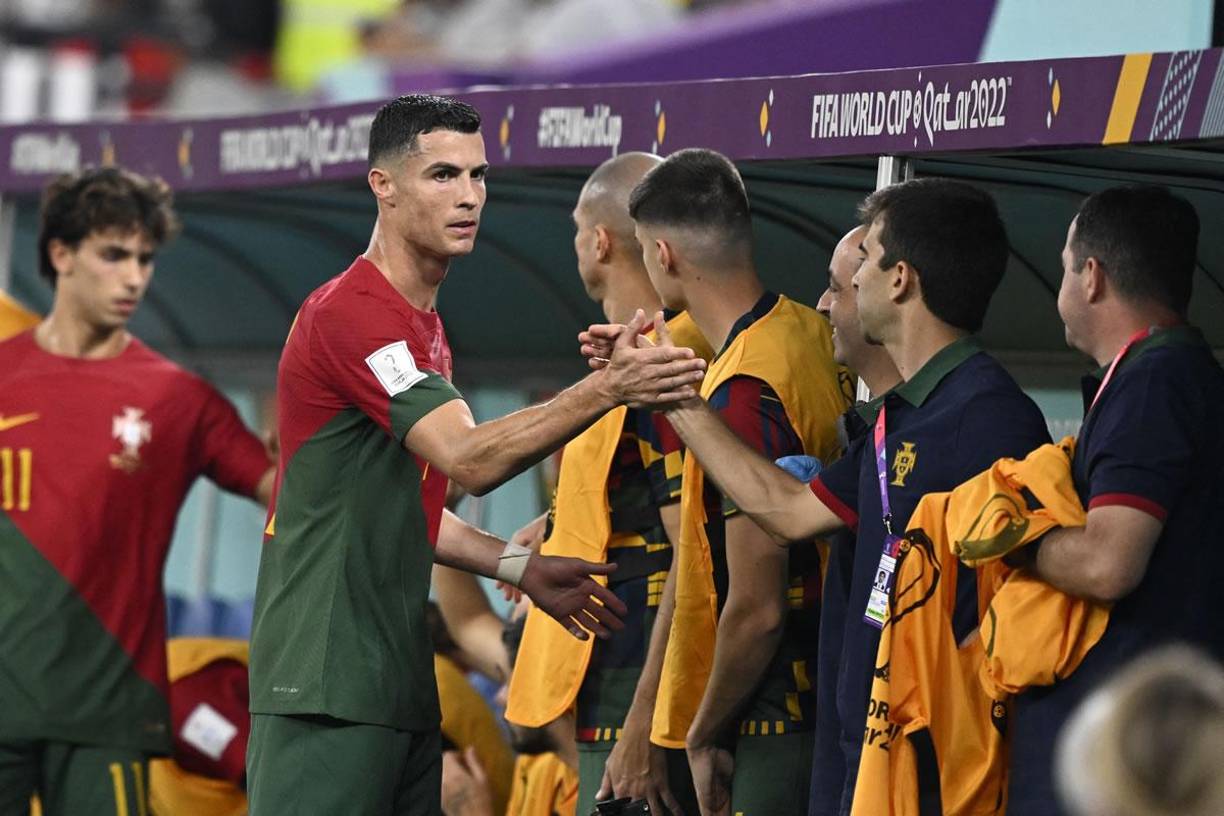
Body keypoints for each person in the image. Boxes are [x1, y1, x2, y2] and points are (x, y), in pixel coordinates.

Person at [245, 94, 706, 815]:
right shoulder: (351, 316)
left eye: (479, 175)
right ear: (384, 185)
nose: (468, 197)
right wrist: (610, 386)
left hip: (391, 681)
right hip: (324, 682)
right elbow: (468, 460)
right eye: (441, 175)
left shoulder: (421, 329)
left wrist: (516, 564)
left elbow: (405, 507)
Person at [593, 177, 1050, 814]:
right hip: (862, 755)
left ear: (900, 280)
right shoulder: (901, 417)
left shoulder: (989, 420)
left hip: (938, 770)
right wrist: (673, 393)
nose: (848, 285)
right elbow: (786, 510)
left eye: (864, 262)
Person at [0, 166, 276, 816]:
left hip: (107, 713)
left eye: (145, 259)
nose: (134, 277)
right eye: (114, 254)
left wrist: (417, 492)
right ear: (61, 254)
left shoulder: (179, 399)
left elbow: (287, 495)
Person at [625, 148, 848, 816]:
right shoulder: (812, 331)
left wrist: (703, 731)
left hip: (779, 713)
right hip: (836, 683)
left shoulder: (743, 391)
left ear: (663, 255)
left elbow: (758, 608)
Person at [1006, 185, 1224, 816]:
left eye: (1064, 268)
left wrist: (1020, 540)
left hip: (1137, 753)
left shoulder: (1153, 384)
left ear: (1092, 276)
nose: (1062, 287)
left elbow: (1109, 564)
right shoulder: (1175, 376)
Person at [505, 151, 709, 816]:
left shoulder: (664, 366)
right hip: (601, 682)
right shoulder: (626, 363)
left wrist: (641, 728)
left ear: (598, 242)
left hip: (638, 692)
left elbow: (694, 551)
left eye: (574, 229)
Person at [807, 226, 900, 816]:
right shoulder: (881, 429)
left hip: (900, 757)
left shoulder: (970, 419)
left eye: (839, 286)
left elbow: (785, 516)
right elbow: (791, 510)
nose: (822, 304)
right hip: (852, 746)